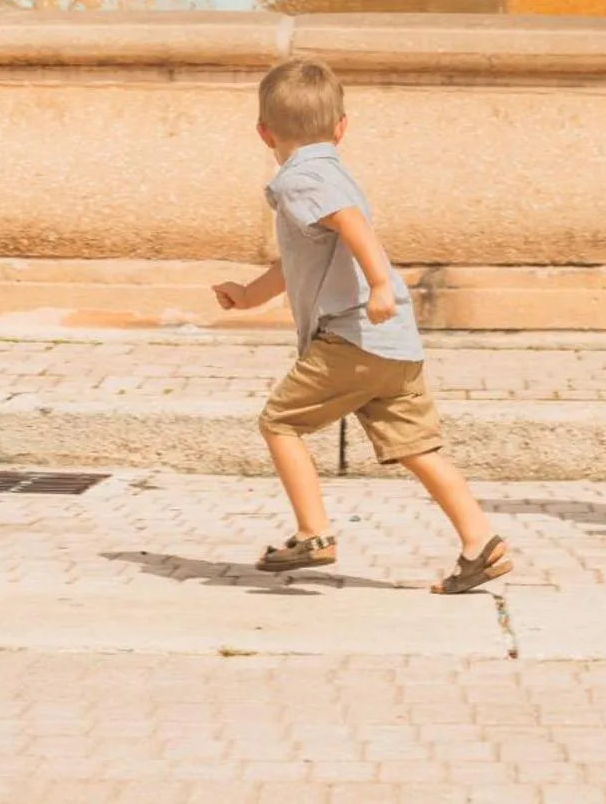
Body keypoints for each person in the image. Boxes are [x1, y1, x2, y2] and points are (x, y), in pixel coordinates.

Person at [212, 58, 512, 594]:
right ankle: (480, 543)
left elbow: (351, 225)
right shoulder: (333, 172)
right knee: (418, 445)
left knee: (280, 423)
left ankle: (313, 533)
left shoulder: (300, 178)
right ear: (342, 127)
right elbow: (298, 259)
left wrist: (376, 286)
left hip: (351, 337)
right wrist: (248, 296)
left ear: (263, 134)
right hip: (393, 344)